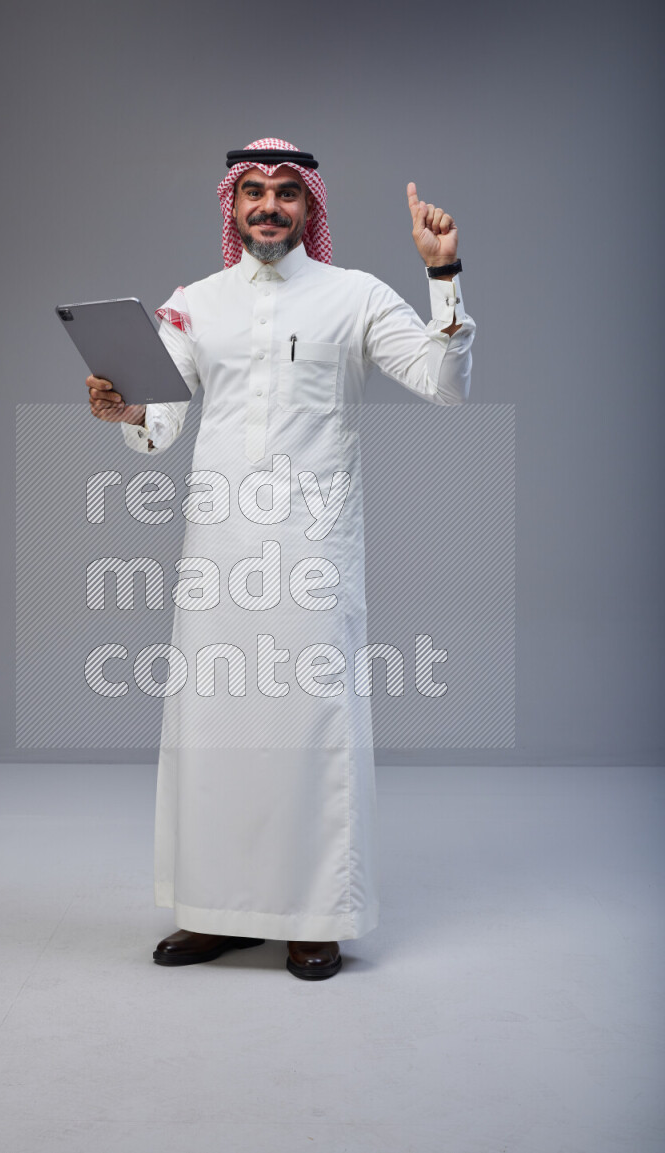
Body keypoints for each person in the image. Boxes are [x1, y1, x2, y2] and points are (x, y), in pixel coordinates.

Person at [86, 137, 475, 980]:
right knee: (216, 730)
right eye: (252, 191)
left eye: (285, 193)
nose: (268, 205)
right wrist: (121, 404)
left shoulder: (355, 296)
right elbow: (159, 425)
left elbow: (444, 382)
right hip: (218, 549)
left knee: (308, 729)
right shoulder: (194, 303)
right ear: (231, 207)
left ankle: (313, 916)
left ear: (310, 208)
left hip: (311, 548)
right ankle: (214, 912)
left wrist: (442, 275)